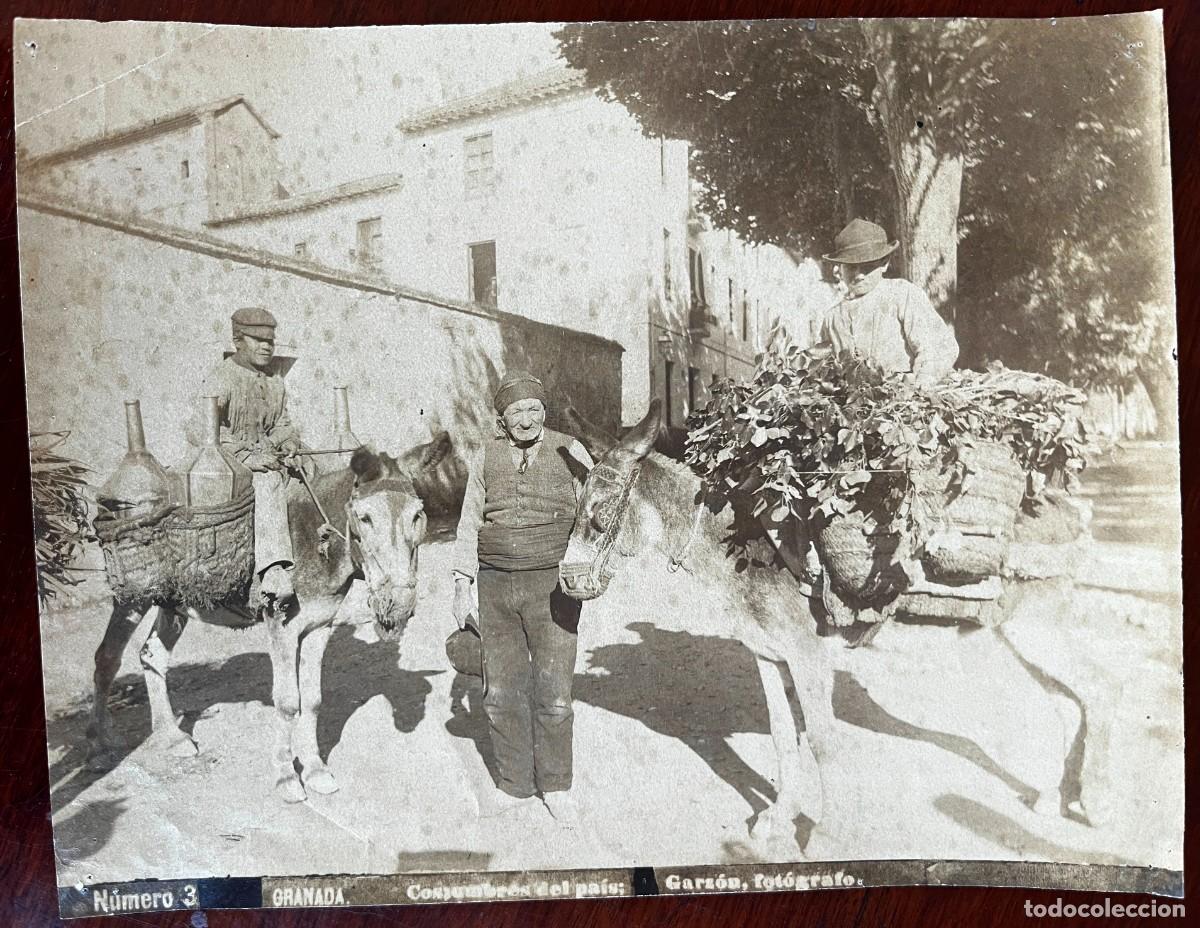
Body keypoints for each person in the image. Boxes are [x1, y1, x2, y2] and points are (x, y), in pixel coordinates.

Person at [451, 371, 594, 824]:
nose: (527, 420)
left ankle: (557, 786)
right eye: (517, 412)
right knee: (500, 693)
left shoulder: (571, 450)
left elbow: (594, 513)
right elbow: (470, 521)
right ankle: (514, 785)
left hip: (553, 588)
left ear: (544, 412)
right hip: (495, 586)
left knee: (554, 695)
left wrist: (587, 566)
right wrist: (461, 582)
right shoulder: (486, 455)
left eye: (534, 409)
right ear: (502, 419)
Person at [195, 307, 302, 610]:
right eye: (258, 340)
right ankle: (272, 568)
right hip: (225, 460)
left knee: (308, 469)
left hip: (267, 454)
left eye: (270, 341)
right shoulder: (222, 377)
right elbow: (204, 429)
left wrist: (289, 444)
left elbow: (282, 423)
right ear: (238, 340)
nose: (267, 346)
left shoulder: (275, 380)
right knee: (267, 482)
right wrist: (246, 456)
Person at [820, 218, 959, 384]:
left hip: (905, 391)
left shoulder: (901, 294)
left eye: (867, 266)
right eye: (851, 267)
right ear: (839, 268)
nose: (859, 275)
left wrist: (922, 383)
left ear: (884, 264)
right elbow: (825, 367)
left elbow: (940, 346)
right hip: (854, 397)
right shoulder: (832, 318)